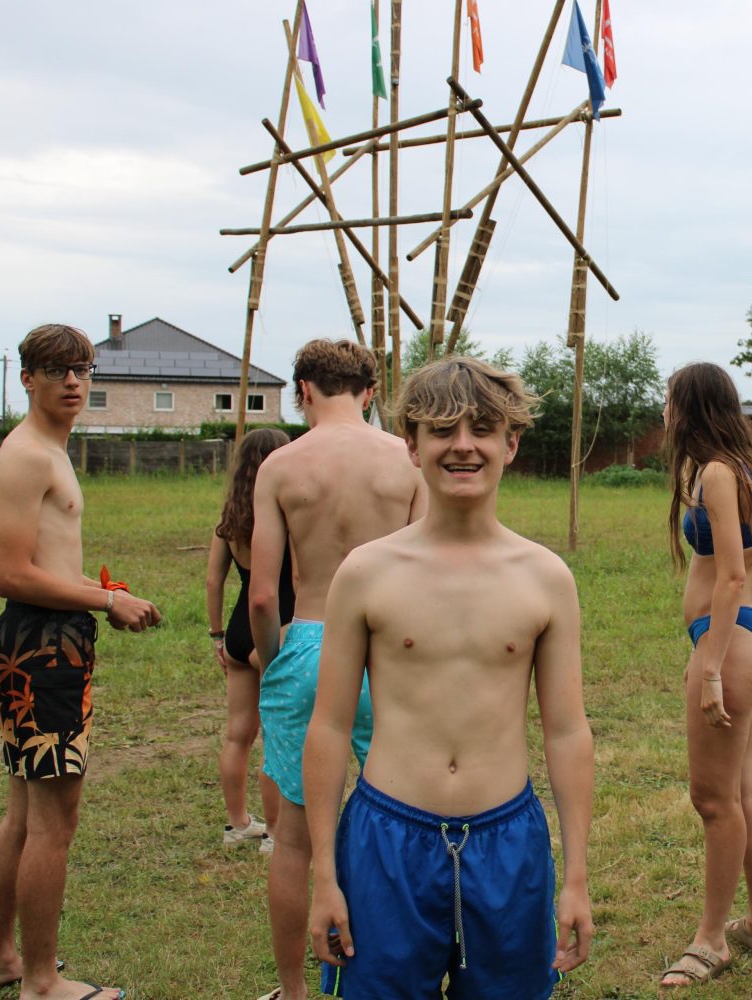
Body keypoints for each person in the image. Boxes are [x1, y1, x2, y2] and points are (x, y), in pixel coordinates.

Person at [305, 356, 594, 999]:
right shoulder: (366, 573)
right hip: (386, 840)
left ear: (510, 445)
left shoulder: (545, 578)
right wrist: (325, 873)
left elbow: (568, 731)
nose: (463, 445)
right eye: (441, 430)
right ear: (412, 446)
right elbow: (328, 727)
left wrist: (575, 875)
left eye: (482, 429)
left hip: (508, 843)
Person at [0, 323, 160, 1000]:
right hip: (42, 647)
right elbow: (12, 574)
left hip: (47, 641)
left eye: (82, 369)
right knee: (53, 821)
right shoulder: (28, 456)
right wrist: (106, 598)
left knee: (25, 815)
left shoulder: (46, 448)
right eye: (57, 370)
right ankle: (42, 982)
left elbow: (41, 565)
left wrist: (101, 597)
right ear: (28, 379)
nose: (73, 382)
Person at [251, 339, 427, 1000]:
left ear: (303, 390)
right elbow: (428, 570)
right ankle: (402, 971)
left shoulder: (280, 466)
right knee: (407, 821)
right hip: (390, 649)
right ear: (371, 391)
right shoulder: (407, 461)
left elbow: (263, 596)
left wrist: (275, 662)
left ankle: (294, 990)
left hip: (310, 644)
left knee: (294, 840)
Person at [657, 362, 752, 987]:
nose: (664, 412)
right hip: (745, 639)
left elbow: (732, 577)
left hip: (729, 646)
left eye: (669, 401)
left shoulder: (716, 472)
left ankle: (712, 941)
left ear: (689, 407)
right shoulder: (738, 466)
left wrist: (709, 666)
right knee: (744, 792)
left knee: (713, 801)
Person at [205, 427, 294, 853]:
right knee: (277, 737)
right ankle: (275, 832)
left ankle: (238, 824)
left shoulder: (229, 520)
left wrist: (217, 636)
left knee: (238, 734)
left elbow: (213, 581)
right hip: (276, 628)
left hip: (238, 631)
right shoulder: (287, 515)